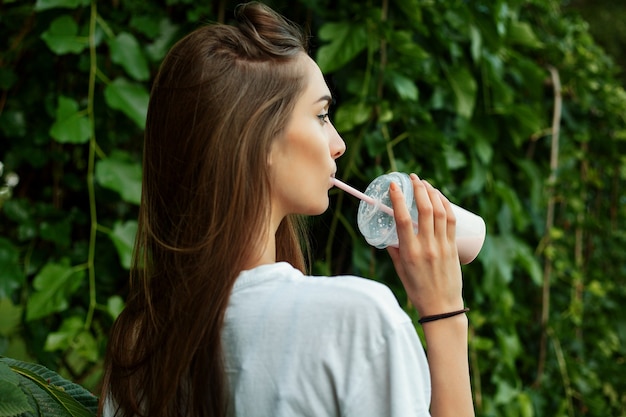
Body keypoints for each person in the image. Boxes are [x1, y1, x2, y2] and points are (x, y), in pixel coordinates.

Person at [99, 2, 475, 417]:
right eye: (321, 115)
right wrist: (444, 312)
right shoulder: (356, 322)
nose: (338, 144)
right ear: (260, 142)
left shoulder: (139, 341)